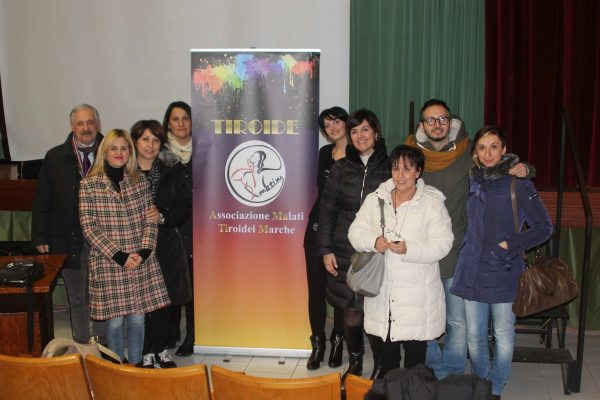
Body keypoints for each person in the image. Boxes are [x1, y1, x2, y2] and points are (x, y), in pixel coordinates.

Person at [405, 99, 534, 379]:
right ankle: (433, 365)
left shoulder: (467, 153)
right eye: (430, 119)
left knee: (457, 320)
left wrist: (526, 169)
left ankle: (451, 371)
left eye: (442, 119)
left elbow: (501, 168)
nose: (437, 125)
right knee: (420, 316)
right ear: (421, 125)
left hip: (458, 251)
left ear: (451, 122)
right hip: (419, 250)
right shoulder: (410, 154)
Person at [450, 126, 552, 399]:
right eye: (482, 147)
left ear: (504, 150)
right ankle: (482, 382)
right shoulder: (470, 181)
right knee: (474, 338)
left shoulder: (518, 183)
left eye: (494, 146)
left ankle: (496, 387)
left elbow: (544, 227)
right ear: (475, 152)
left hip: (504, 270)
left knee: (504, 335)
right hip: (471, 270)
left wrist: (510, 245)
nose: (488, 153)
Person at [348, 144, 453, 376]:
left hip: (418, 297)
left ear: (418, 171)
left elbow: (444, 242)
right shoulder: (376, 199)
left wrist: (410, 249)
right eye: (396, 168)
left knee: (415, 366)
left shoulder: (432, 203)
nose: (400, 175)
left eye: (407, 169)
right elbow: (355, 232)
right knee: (388, 366)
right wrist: (374, 241)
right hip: (383, 295)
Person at [79, 129, 171, 364]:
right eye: (113, 148)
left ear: (129, 152)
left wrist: (143, 252)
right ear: (104, 152)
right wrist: (119, 256)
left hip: (140, 260)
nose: (119, 153)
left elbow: (151, 220)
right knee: (116, 321)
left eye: (123, 148)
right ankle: (117, 365)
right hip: (110, 262)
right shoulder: (89, 185)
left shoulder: (139, 182)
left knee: (139, 319)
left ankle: (137, 363)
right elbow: (89, 228)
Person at [317, 109, 390, 378]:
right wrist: (325, 250)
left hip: (378, 253)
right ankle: (356, 362)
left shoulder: (390, 167)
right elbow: (326, 211)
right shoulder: (340, 168)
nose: (359, 136)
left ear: (376, 133)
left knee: (377, 312)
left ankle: (381, 365)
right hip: (344, 250)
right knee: (350, 311)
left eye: (365, 129)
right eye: (354, 131)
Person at [32, 104, 105, 344]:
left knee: (102, 294)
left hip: (104, 239)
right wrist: (40, 237)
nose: (86, 128)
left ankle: (104, 346)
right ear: (72, 127)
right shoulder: (55, 157)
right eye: (80, 123)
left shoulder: (112, 152)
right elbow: (43, 199)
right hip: (67, 238)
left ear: (98, 124)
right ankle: (83, 344)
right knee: (76, 296)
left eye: (90, 122)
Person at [131, 120, 192, 368]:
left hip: (165, 242)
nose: (150, 145)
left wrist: (163, 216)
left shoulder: (171, 169)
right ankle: (144, 351)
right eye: (145, 139)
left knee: (163, 299)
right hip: (133, 244)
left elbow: (184, 208)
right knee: (141, 300)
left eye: (155, 140)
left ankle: (160, 348)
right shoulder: (125, 171)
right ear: (135, 142)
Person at [304, 106, 348, 370]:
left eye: (336, 122)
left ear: (346, 122)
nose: (332, 128)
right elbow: (322, 192)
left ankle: (339, 340)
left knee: (341, 290)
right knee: (316, 288)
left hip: (344, 231)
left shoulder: (359, 154)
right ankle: (318, 342)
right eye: (326, 125)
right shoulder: (324, 153)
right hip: (318, 226)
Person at [160, 101, 195, 356]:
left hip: (200, 226)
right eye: (175, 119)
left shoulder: (206, 150)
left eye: (186, 118)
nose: (181, 124)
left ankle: (193, 334)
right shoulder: (159, 154)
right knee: (170, 281)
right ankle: (170, 331)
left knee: (194, 284)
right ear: (168, 123)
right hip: (170, 227)